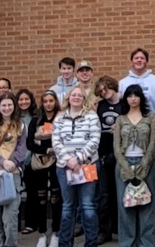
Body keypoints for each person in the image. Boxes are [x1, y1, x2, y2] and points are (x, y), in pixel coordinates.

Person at [54, 86, 101, 247]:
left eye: (80, 95)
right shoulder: (59, 118)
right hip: (64, 168)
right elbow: (56, 141)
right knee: (68, 207)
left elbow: (95, 140)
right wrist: (69, 160)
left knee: (88, 206)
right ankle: (65, 243)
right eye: (73, 95)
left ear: (84, 99)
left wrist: (79, 159)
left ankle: (91, 243)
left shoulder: (91, 117)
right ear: (68, 97)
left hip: (87, 166)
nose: (76, 97)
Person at [114, 85, 155, 247]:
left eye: (136, 95)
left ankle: (146, 243)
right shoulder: (120, 119)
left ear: (141, 98)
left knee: (147, 205)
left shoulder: (151, 118)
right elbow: (117, 147)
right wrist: (125, 167)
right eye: (130, 96)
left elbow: (153, 143)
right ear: (125, 98)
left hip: (146, 165)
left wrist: (144, 166)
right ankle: (127, 242)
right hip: (124, 165)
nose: (133, 99)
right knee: (125, 205)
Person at [0, 93, 28, 247]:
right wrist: (2, 161)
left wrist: (12, 163)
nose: (7, 108)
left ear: (14, 106)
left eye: (10, 105)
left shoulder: (21, 126)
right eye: (4, 105)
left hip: (12, 175)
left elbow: (22, 151)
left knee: (10, 218)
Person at [26, 91, 62, 247]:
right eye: (45, 101)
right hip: (40, 162)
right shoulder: (36, 120)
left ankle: (55, 232)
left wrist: (44, 140)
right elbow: (30, 143)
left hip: (57, 162)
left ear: (55, 102)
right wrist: (46, 149)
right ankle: (42, 233)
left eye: (51, 100)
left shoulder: (60, 119)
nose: (48, 103)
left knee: (55, 198)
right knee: (41, 198)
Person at [95, 76, 125, 244]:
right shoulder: (99, 106)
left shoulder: (124, 104)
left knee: (120, 194)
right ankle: (104, 231)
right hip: (104, 154)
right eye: (100, 91)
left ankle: (121, 229)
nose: (104, 93)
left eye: (105, 89)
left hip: (120, 153)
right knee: (103, 195)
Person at [119, 49, 155, 121]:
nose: (139, 60)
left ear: (146, 61)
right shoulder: (123, 83)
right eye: (136, 58)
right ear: (132, 61)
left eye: (142, 58)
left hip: (152, 123)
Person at [16, 89, 37, 234]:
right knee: (14, 194)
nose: (24, 102)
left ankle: (31, 223)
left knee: (32, 193)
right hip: (15, 162)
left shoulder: (36, 117)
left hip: (32, 160)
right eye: (21, 99)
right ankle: (14, 224)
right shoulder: (14, 118)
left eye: (26, 99)